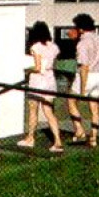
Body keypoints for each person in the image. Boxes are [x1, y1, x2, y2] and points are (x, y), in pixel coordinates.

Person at [18, 21, 65, 152]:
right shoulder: (54, 46)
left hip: (38, 81)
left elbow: (38, 68)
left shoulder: (36, 47)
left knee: (33, 110)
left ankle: (30, 138)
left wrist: (27, 70)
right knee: (49, 111)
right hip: (50, 79)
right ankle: (58, 141)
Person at [67, 13, 99, 146]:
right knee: (94, 107)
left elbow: (84, 66)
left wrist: (83, 87)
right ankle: (94, 138)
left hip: (87, 75)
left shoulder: (83, 43)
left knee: (71, 100)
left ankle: (79, 129)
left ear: (80, 29)